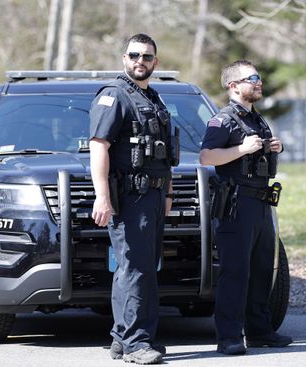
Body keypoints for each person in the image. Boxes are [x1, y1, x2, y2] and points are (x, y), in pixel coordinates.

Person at [89, 33, 177, 365]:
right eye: (134, 55)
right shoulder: (114, 97)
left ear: (156, 62)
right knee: (135, 269)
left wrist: (167, 193)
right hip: (129, 197)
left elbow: (165, 154)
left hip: (153, 196)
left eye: (147, 56)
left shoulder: (153, 98)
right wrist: (102, 197)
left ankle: (122, 337)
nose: (140, 61)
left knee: (141, 269)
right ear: (124, 58)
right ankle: (136, 343)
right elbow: (99, 146)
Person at [199, 60, 292, 355]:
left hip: (261, 201)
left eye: (259, 78)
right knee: (235, 272)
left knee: (263, 269)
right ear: (233, 85)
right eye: (251, 78)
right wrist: (241, 149)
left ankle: (260, 331)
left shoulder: (258, 119)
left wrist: (272, 146)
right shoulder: (222, 120)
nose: (258, 82)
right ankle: (229, 337)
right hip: (236, 205)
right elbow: (206, 157)